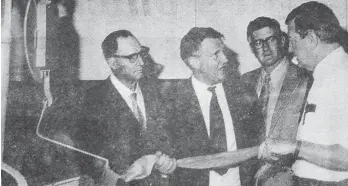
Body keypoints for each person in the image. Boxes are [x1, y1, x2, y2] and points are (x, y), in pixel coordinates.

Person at [263, 1, 348, 185]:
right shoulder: (326, 74)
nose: (290, 49)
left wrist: (294, 147)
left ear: (311, 39)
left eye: (293, 41)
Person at [164, 27, 264, 186]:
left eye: (223, 52)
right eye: (216, 55)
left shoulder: (243, 93)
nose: (225, 59)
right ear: (194, 62)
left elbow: (257, 142)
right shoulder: (171, 102)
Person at [75, 30, 175, 186]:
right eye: (132, 57)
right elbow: (92, 165)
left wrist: (166, 162)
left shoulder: (155, 93)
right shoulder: (91, 101)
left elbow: (169, 141)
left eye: (141, 54)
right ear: (112, 62)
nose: (141, 62)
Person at [242, 17, 310, 186]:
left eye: (270, 39)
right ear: (252, 48)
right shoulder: (244, 82)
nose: (265, 48)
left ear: (282, 40)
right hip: (249, 178)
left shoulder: (306, 78)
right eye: (258, 43)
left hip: (289, 178)